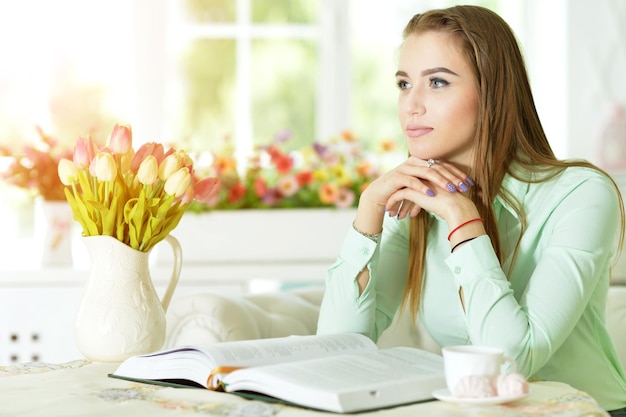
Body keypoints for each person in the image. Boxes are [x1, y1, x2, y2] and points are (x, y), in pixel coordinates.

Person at [316, 5, 626, 414]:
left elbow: (511, 360)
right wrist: (368, 214)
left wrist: (464, 222)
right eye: (404, 83)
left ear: (493, 92)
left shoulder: (582, 194)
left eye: (438, 82)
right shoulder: (416, 199)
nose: (411, 104)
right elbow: (335, 355)